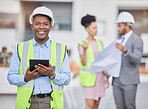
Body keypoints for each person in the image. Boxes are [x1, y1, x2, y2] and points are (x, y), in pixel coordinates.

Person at [7, 6, 71, 109]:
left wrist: (52, 74)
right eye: (37, 24)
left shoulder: (61, 49)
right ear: (32, 26)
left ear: (50, 27)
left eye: (45, 24)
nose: (41, 27)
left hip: (51, 103)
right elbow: (10, 77)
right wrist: (26, 77)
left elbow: (67, 79)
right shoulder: (21, 48)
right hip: (27, 103)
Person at [113, 12, 143, 109]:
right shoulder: (119, 40)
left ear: (127, 25)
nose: (118, 28)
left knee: (130, 106)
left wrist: (125, 50)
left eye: (120, 26)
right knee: (119, 107)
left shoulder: (136, 40)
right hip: (117, 81)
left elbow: (137, 59)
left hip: (129, 82)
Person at [78, 14, 109, 109]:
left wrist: (106, 76)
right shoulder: (82, 44)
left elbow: (102, 61)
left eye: (96, 28)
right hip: (89, 80)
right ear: (87, 29)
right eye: (94, 28)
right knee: (89, 105)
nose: (96, 30)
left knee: (96, 105)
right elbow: (83, 62)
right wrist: (85, 50)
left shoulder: (100, 43)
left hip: (99, 78)